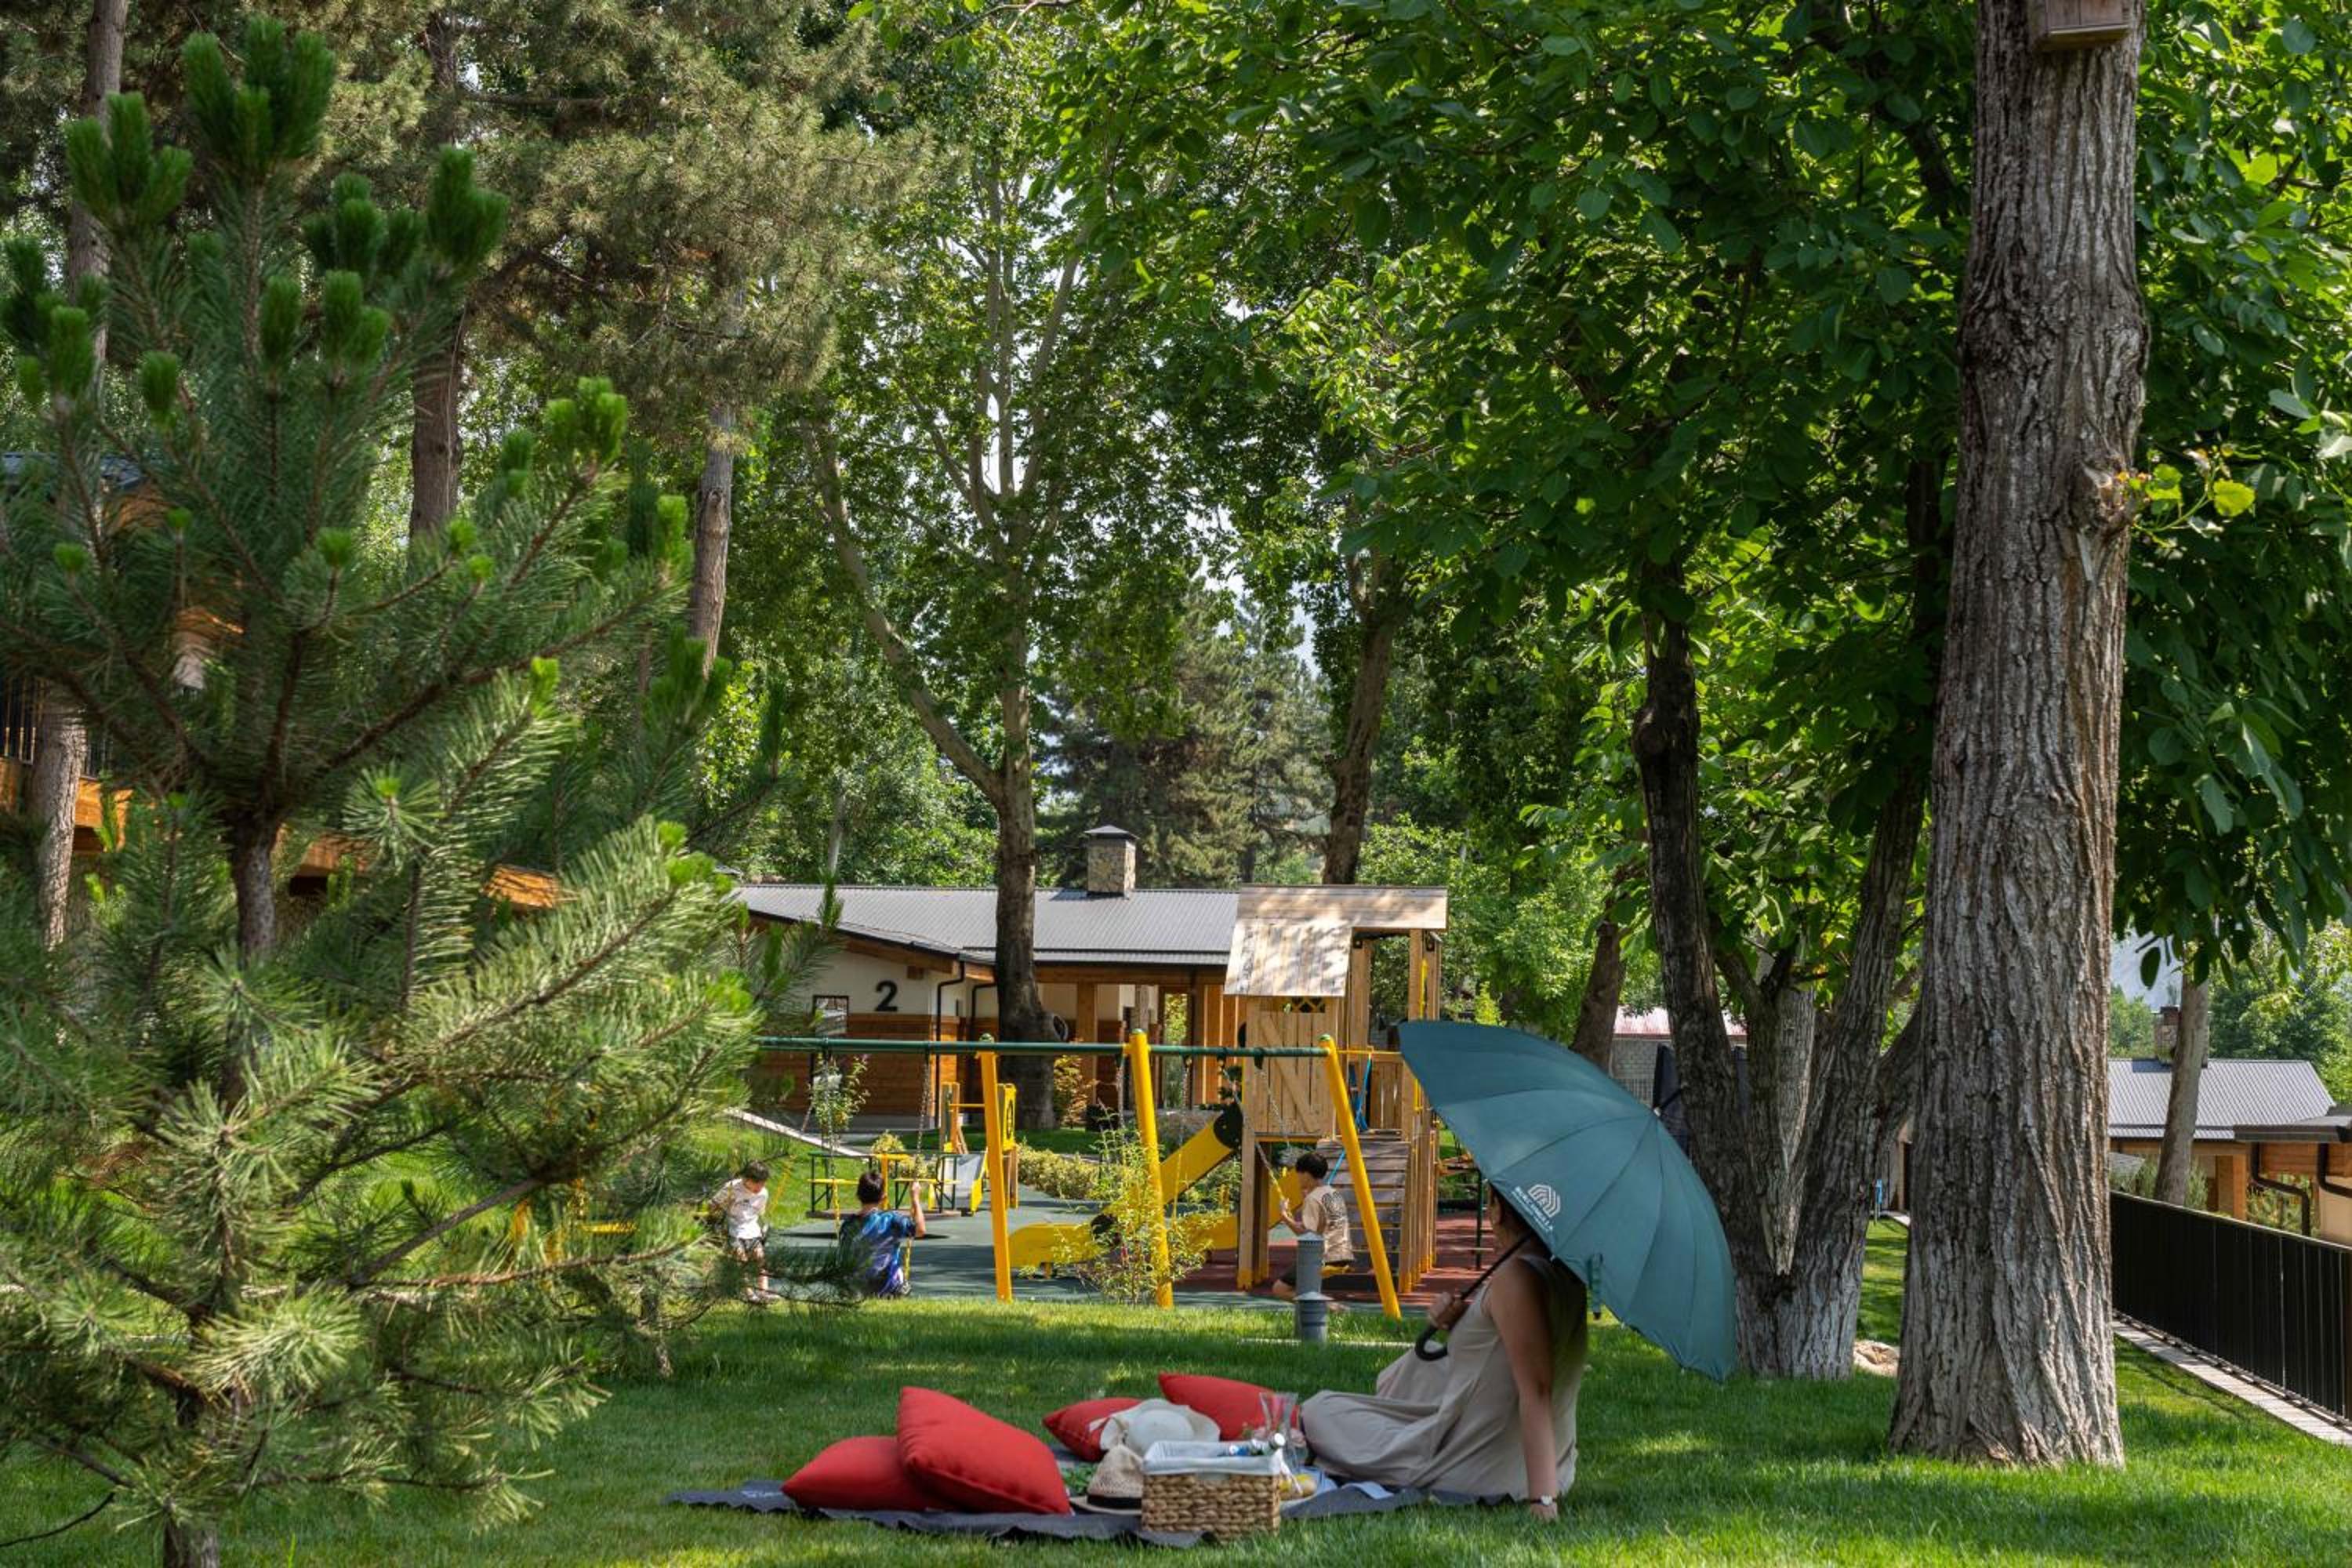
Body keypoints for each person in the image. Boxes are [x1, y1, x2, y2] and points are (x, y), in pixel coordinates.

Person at [1300, 1188, 1588, 1517]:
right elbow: (1507, 1354)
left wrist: (1543, 1501)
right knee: (1412, 1369)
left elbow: (1537, 1389)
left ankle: (1387, 1451)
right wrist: (1462, 1322)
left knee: (1319, 1410)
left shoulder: (1516, 1278)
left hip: (1484, 1468)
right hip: (1534, 1458)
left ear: (1497, 1210)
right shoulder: (1566, 1276)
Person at [1272, 1151, 1362, 1301]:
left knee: (1280, 1289)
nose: (1297, 1178)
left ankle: (1329, 1307)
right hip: (1344, 1254)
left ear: (1306, 1174)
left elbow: (1307, 1237)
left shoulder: (1312, 1199)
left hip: (1324, 1258)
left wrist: (1285, 1217)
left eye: (1298, 1173)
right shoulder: (1333, 1193)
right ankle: (1318, 1307)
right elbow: (1325, 1225)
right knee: (1303, 1287)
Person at [838, 1167, 927, 1298]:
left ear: (858, 1196)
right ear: (883, 1197)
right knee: (900, 1280)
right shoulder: (891, 1220)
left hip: (854, 1288)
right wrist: (915, 1198)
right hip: (885, 1287)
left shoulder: (848, 1225)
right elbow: (920, 1230)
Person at [710, 1160, 773, 1304]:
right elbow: (713, 1205)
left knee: (760, 1257)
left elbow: (760, 1212)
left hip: (752, 1230)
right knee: (741, 1259)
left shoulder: (763, 1193)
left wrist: (763, 1227)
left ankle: (764, 1292)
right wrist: (719, 1211)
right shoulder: (732, 1188)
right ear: (746, 1179)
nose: (760, 1187)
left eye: (763, 1183)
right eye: (757, 1183)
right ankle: (749, 1293)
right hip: (733, 1229)